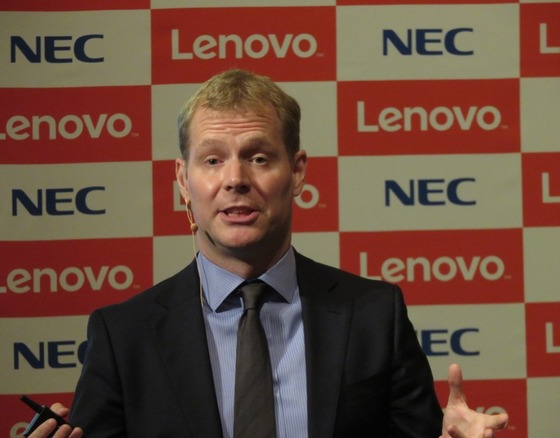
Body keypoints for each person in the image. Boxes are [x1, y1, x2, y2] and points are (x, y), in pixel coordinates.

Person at [28, 69, 508, 438]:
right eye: (212, 159)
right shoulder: (123, 336)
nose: (236, 179)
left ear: (296, 172)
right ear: (183, 181)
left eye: (258, 157)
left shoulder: (374, 316)